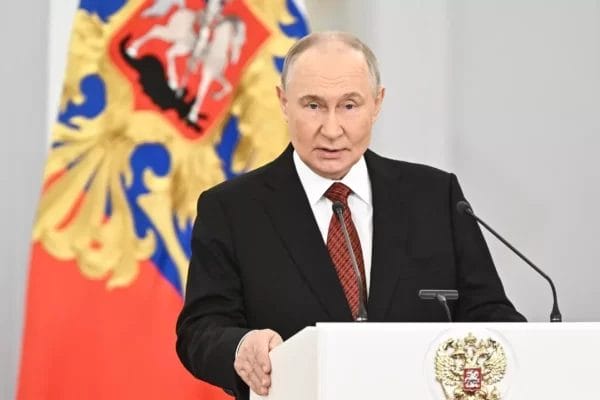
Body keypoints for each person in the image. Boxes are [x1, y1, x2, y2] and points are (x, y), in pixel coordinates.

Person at [176, 31, 526, 400]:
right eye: (313, 105)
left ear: (377, 103)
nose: (331, 129)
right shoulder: (231, 209)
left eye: (349, 105)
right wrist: (241, 345)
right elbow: (201, 329)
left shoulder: (436, 197)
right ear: (283, 103)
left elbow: (491, 314)